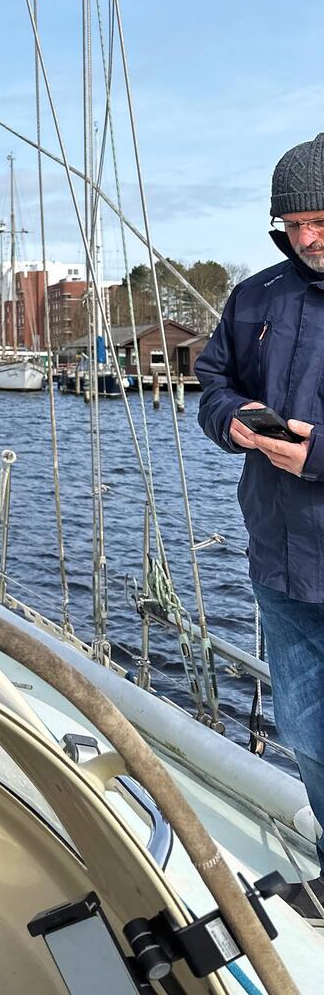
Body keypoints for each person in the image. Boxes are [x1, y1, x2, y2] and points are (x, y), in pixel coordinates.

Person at [197, 132, 324, 920]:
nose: (306, 238)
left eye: (321, 221)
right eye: (293, 224)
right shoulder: (256, 297)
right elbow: (213, 378)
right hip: (281, 563)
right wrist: (233, 418)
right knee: (307, 735)